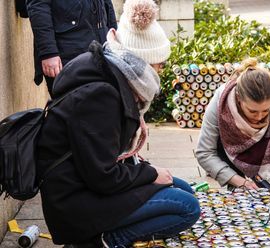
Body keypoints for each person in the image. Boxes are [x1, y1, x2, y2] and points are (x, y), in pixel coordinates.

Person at [36, 0, 200, 247]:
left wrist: (149, 174)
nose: (161, 71)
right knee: (187, 207)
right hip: (77, 204)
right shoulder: (101, 97)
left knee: (184, 188)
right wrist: (151, 173)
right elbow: (103, 177)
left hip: (83, 186)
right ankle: (105, 240)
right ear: (141, 61)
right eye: (159, 63)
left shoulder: (107, 67)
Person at [195, 58, 270, 192]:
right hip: (232, 166)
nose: (259, 117)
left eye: (266, 110)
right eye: (252, 111)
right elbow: (204, 152)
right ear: (239, 99)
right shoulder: (221, 100)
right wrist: (239, 181)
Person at [27, 0, 117, 97]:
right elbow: (38, 6)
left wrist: (115, 41)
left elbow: (107, 4)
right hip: (66, 52)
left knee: (104, 105)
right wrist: (48, 52)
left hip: (101, 48)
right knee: (75, 107)